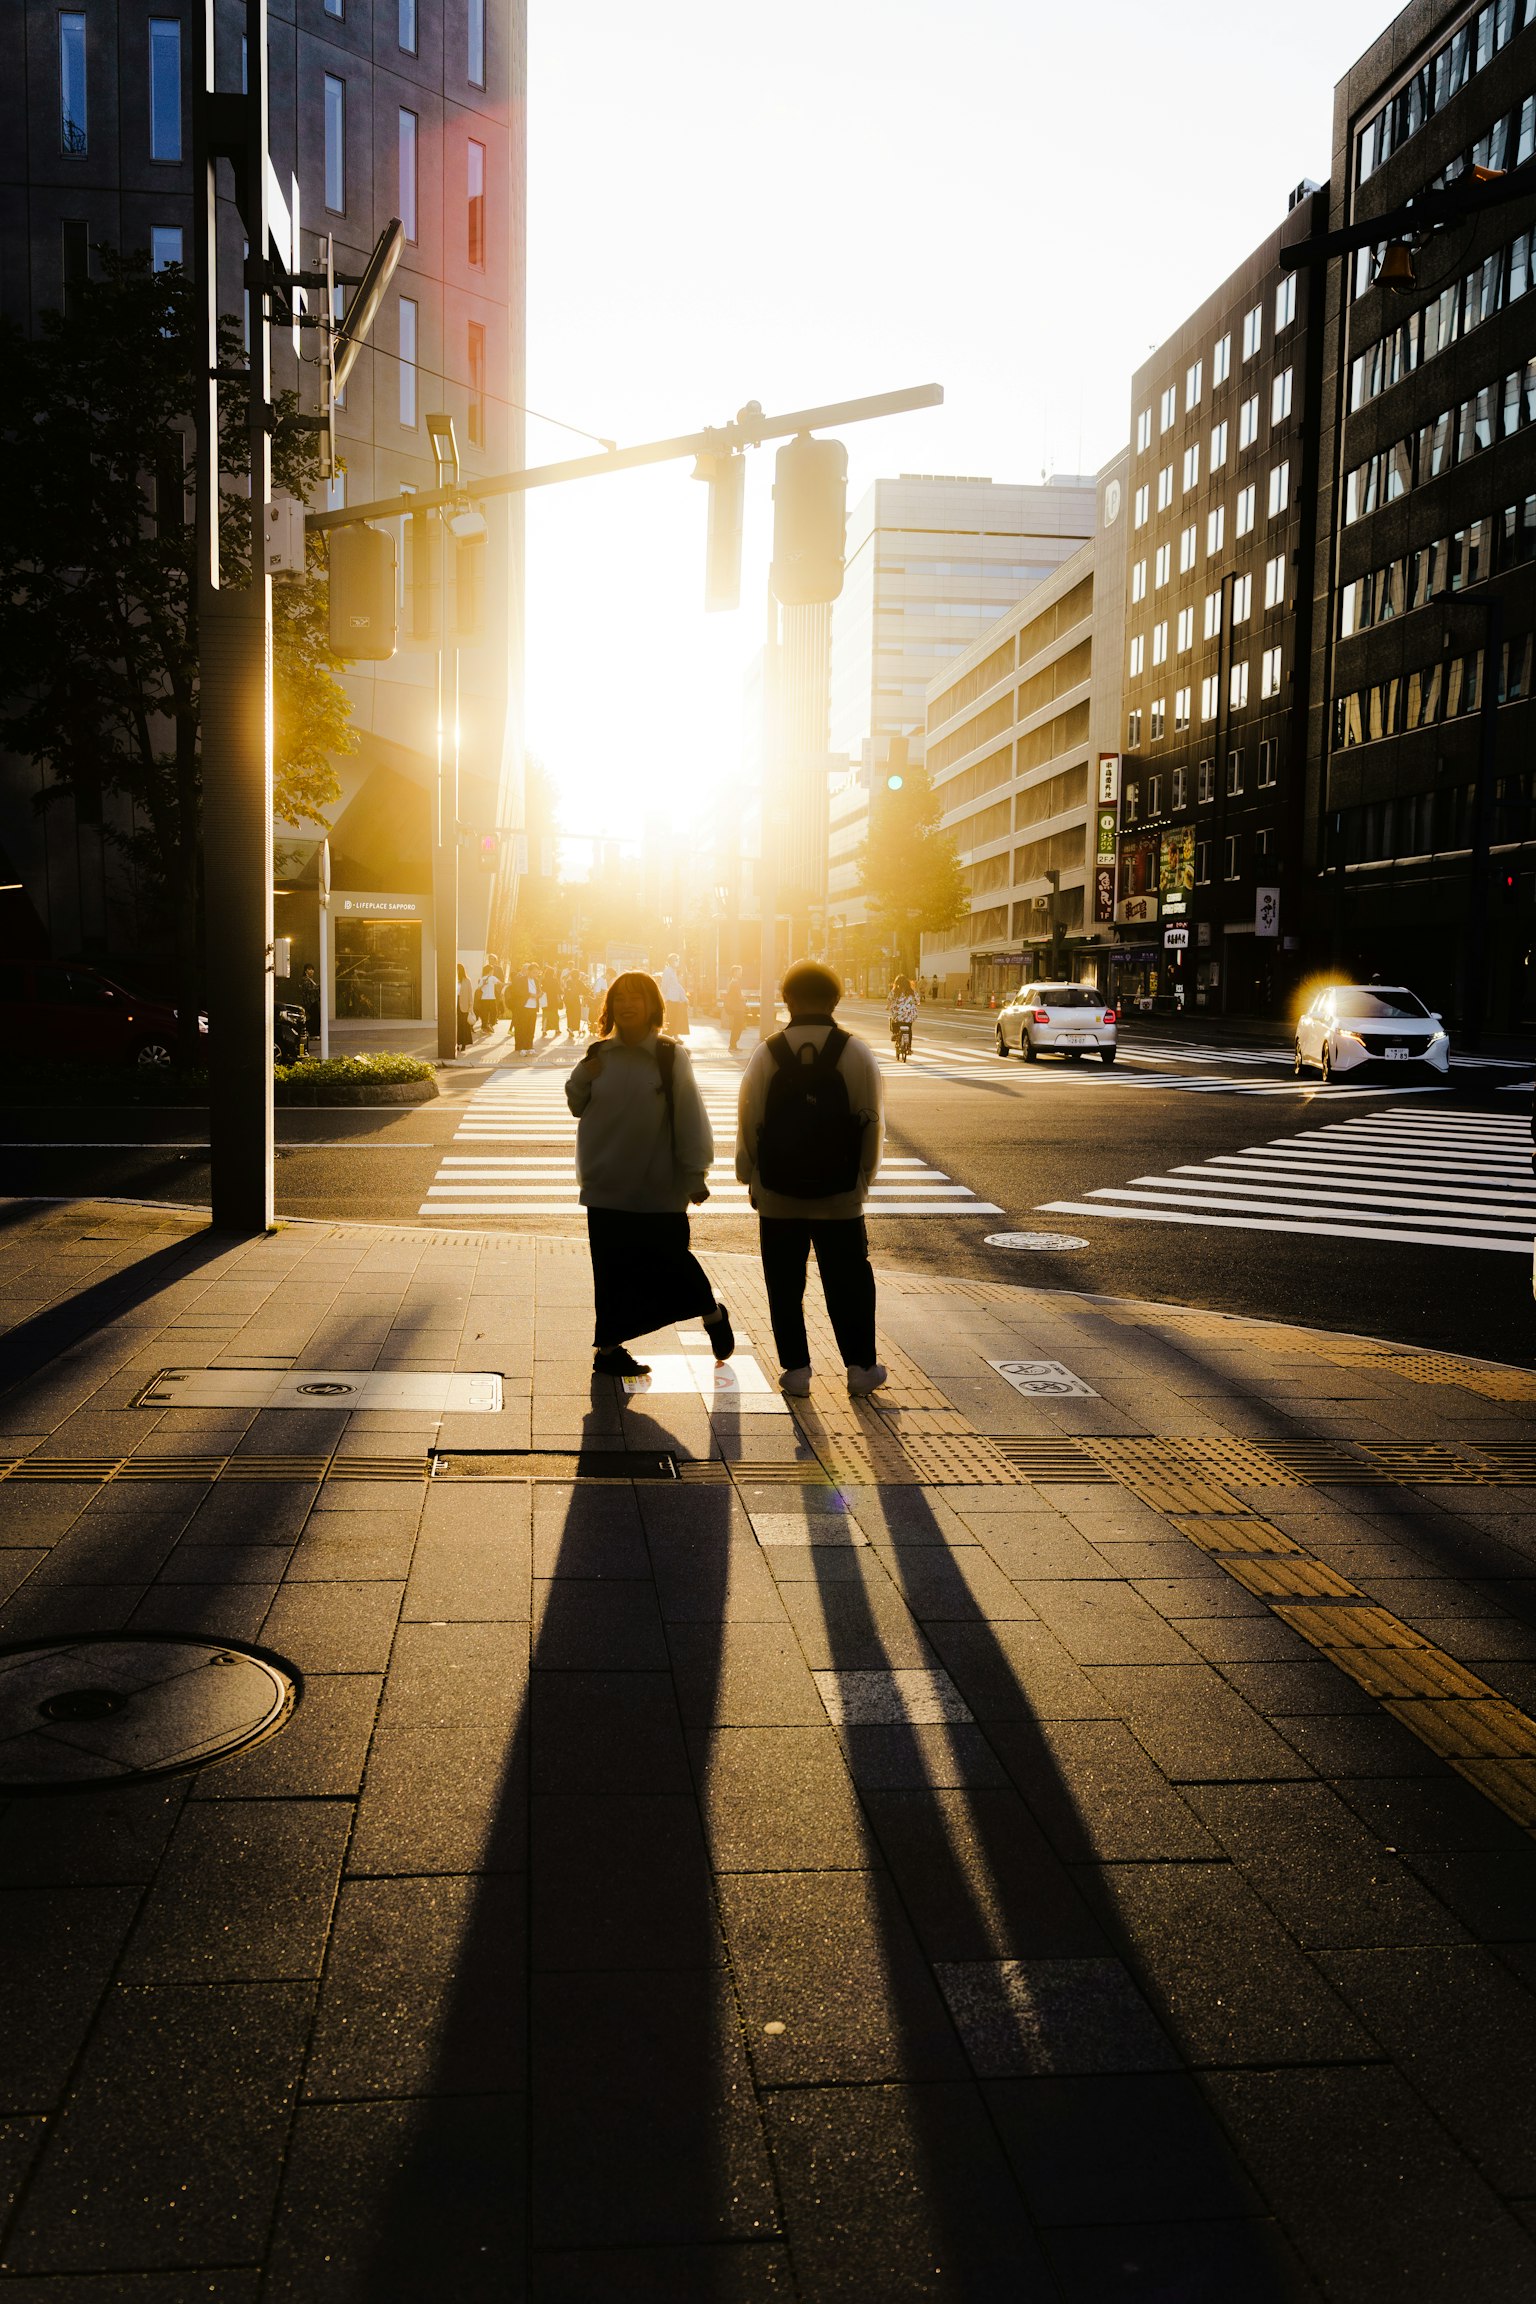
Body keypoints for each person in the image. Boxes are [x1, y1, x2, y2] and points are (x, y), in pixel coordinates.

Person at [566, 970, 734, 1379]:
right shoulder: (598, 1054)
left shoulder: (668, 1055)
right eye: (620, 996)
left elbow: (691, 1115)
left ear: (652, 1005)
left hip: (659, 1183)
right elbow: (576, 1104)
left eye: (636, 996)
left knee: (671, 1260)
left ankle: (711, 1312)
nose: (627, 1004)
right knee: (609, 1271)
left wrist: (696, 1172)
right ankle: (608, 1350)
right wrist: (580, 1077)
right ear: (610, 1005)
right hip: (605, 1184)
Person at [736, 959, 885, 1399]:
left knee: (783, 1282)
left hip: (778, 1192)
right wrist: (863, 1179)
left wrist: (750, 1175)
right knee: (849, 1281)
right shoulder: (854, 1052)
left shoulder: (769, 1052)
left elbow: (749, 1120)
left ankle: (796, 1369)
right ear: (835, 1000)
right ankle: (860, 1367)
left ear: (788, 999)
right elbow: (871, 1122)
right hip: (840, 1196)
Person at [507, 961, 540, 1052]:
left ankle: (529, 1046)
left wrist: (539, 994)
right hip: (523, 1007)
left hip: (533, 1008)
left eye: (537, 972)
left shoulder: (536, 981)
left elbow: (538, 990)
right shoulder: (521, 979)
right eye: (534, 972)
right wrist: (529, 995)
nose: (535, 974)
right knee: (521, 1027)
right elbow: (516, 991)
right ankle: (520, 1046)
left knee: (531, 1028)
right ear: (528, 971)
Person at [887, 974, 918, 1058]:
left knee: (894, 1020)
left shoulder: (895, 991)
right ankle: (909, 1047)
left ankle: (895, 1034)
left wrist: (887, 1007)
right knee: (909, 1029)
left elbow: (889, 999)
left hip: (898, 1015)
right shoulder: (911, 991)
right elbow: (917, 1001)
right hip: (909, 1016)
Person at [659, 953, 690, 1038]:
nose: (678, 962)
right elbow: (664, 985)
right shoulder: (667, 971)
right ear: (671, 961)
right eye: (676, 960)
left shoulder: (673, 971)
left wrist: (683, 998)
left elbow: (677, 985)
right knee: (670, 1019)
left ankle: (675, 1036)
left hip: (675, 999)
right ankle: (667, 1038)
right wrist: (664, 996)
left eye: (678, 960)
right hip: (670, 999)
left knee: (675, 1018)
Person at [721, 965, 749, 1054]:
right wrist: (745, 998)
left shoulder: (732, 982)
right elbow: (740, 997)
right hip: (738, 1009)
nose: (741, 973)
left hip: (737, 1008)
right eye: (739, 971)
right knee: (737, 1026)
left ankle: (733, 1045)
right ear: (735, 973)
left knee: (737, 1026)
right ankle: (732, 1045)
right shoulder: (735, 983)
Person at [476, 955, 502, 1037]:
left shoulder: (499, 969)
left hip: (495, 993)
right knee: (485, 1012)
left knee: (494, 1011)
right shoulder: (485, 969)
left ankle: (490, 1024)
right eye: (489, 959)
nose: (491, 960)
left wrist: (501, 989)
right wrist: (482, 982)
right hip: (485, 994)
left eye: (492, 959)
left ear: (495, 960)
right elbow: (480, 983)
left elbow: (501, 980)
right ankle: (485, 1026)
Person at [455, 962, 475, 1050]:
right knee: (457, 1025)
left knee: (464, 1025)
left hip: (464, 1006)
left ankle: (464, 1044)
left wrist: (471, 1007)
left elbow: (470, 995)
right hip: (455, 1004)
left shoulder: (467, 981)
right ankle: (457, 1043)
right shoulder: (454, 980)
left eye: (457, 969)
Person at [563, 966, 588, 1037]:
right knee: (576, 1014)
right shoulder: (579, 982)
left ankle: (570, 1028)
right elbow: (585, 990)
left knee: (569, 1014)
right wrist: (589, 993)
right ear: (578, 975)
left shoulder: (568, 982)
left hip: (567, 1000)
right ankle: (574, 1028)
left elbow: (566, 990)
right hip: (575, 1000)